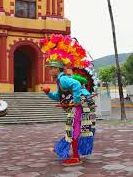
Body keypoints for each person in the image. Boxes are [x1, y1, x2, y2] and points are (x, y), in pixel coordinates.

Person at [39, 34, 94, 166]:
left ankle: (76, 157)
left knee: (74, 130)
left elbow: (75, 84)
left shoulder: (63, 79)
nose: (49, 71)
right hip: (76, 106)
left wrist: (76, 100)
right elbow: (58, 96)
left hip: (78, 106)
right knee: (71, 129)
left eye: (51, 68)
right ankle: (70, 152)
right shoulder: (60, 81)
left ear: (57, 69)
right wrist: (48, 93)